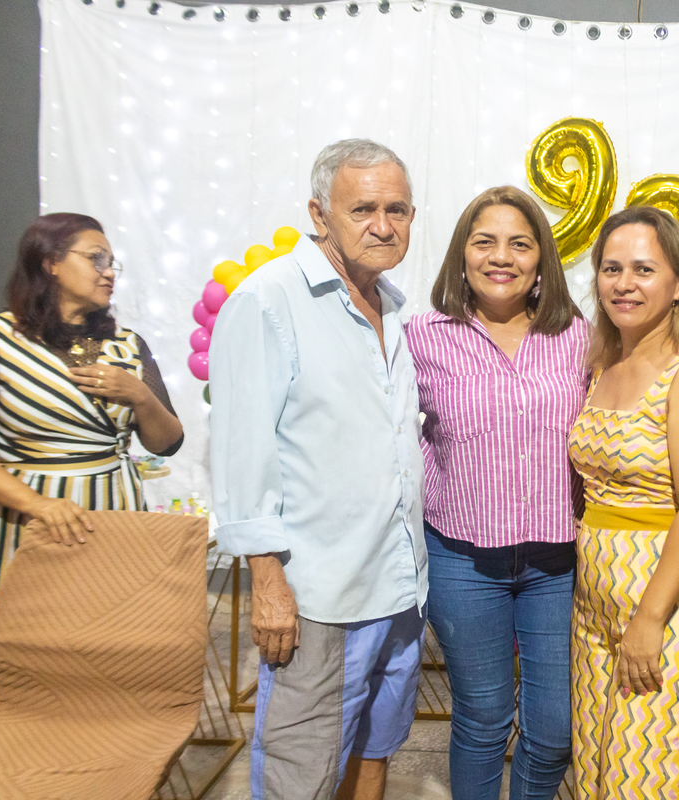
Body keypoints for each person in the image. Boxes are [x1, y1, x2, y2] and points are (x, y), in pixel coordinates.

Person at [210, 139, 427, 800]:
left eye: (397, 209)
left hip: (400, 587)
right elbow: (242, 451)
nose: (383, 226)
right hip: (320, 598)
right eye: (362, 209)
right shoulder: (269, 299)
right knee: (299, 775)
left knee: (374, 750)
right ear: (318, 213)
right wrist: (268, 581)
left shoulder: (394, 304)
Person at [405, 186, 588, 799]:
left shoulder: (579, 336)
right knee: (483, 719)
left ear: (542, 260)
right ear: (462, 253)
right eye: (485, 241)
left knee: (555, 731)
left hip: (556, 563)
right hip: (461, 559)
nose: (501, 256)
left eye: (519, 243)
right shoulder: (421, 336)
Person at [0, 212, 184, 714]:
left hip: (114, 519)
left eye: (112, 263)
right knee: (20, 653)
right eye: (96, 259)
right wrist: (39, 506)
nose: (109, 271)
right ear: (49, 263)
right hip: (28, 524)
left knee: (108, 649)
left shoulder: (127, 346)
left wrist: (139, 396)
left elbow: (168, 442)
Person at [567, 206, 679, 797]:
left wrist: (649, 618)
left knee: (645, 781)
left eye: (644, 269)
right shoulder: (604, 365)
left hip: (665, 604)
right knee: (593, 777)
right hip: (594, 603)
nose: (624, 283)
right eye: (611, 268)